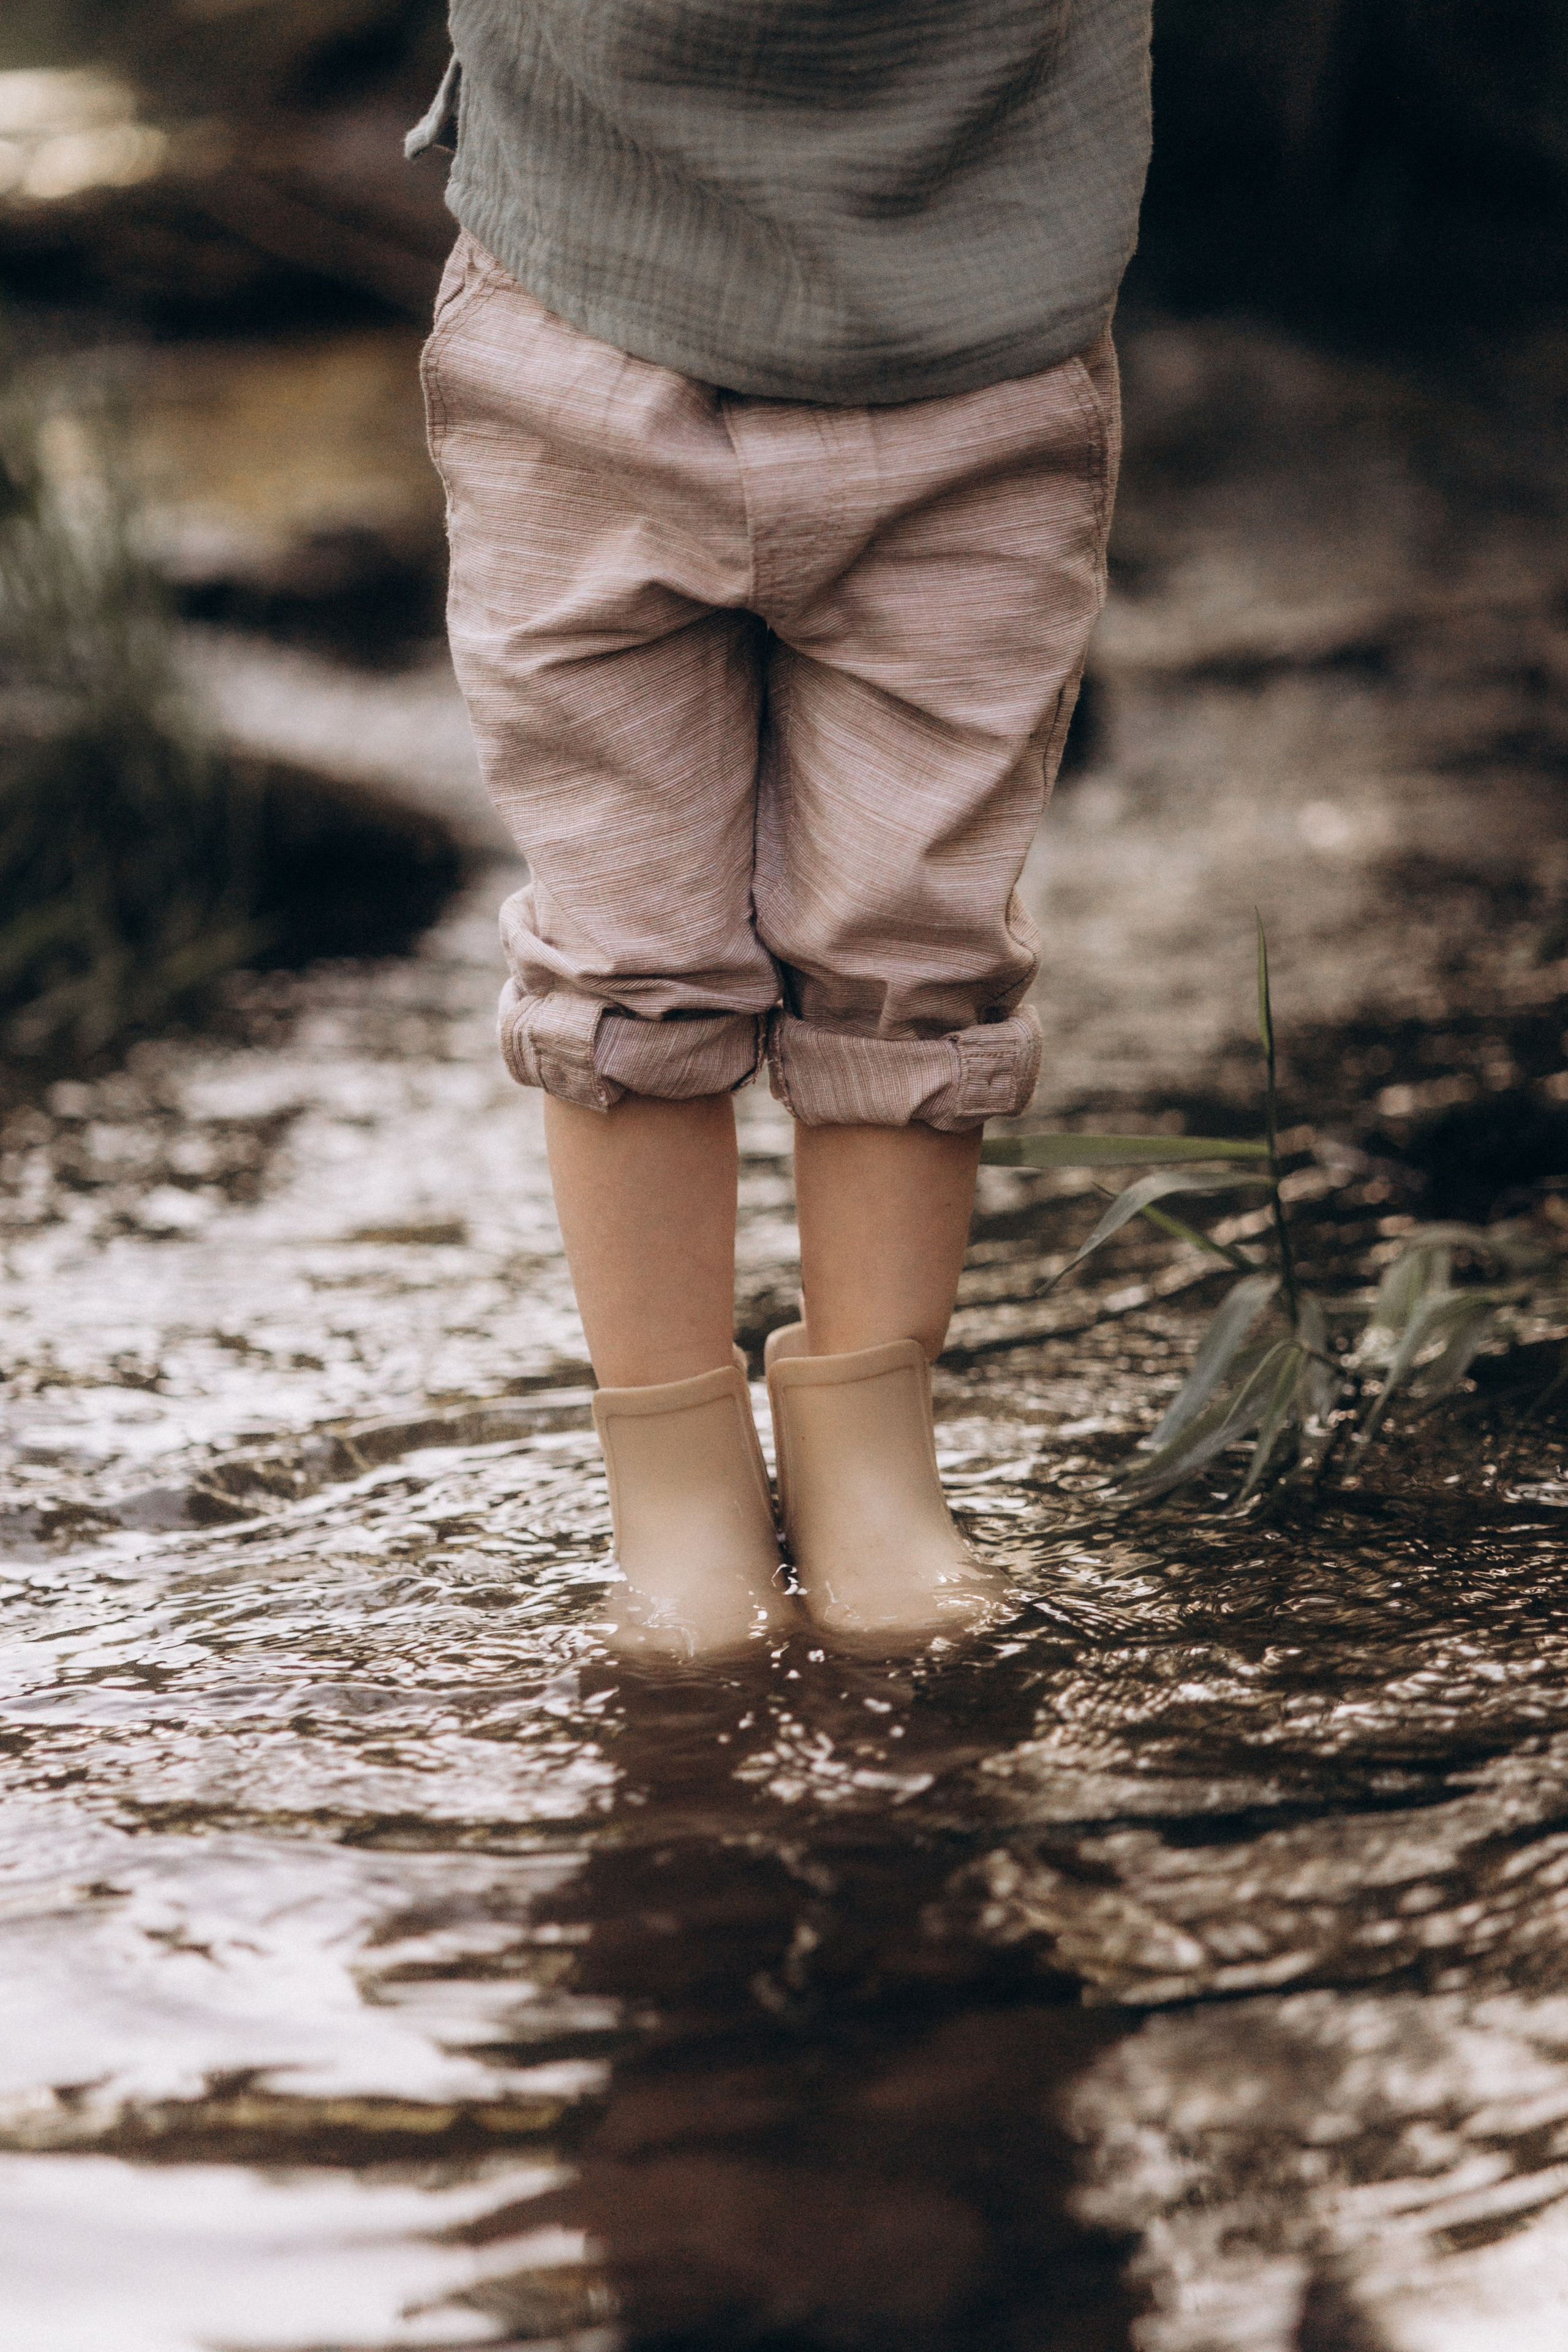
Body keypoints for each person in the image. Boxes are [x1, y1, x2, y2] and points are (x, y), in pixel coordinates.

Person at [409, 1, 1152, 1655]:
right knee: (626, 954)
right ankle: (673, 1493)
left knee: (915, 952)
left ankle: (872, 1470)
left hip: (981, 354)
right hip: (580, 313)